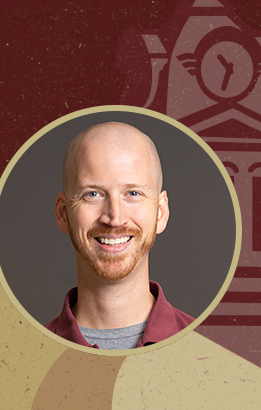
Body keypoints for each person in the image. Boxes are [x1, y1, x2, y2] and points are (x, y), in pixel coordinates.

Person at [46, 121, 194, 349]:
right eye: (93, 194)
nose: (114, 218)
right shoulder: (21, 358)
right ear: (63, 213)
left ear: (160, 213)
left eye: (133, 193)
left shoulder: (219, 352)